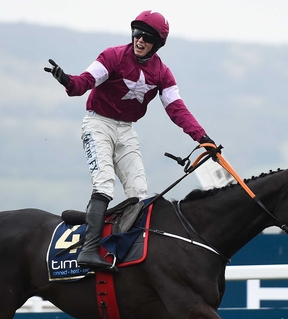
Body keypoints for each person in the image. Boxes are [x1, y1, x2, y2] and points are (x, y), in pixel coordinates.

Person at [45, 10, 217, 271]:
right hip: (97, 123)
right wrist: (67, 80)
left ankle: (114, 237)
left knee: (139, 195)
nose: (139, 41)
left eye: (146, 38)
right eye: (137, 34)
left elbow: (177, 109)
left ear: (157, 45)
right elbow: (84, 82)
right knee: (104, 183)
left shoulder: (163, 74)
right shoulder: (112, 56)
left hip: (126, 130)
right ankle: (89, 251)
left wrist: (202, 137)